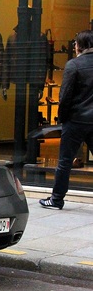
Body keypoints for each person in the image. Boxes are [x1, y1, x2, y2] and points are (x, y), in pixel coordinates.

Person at [40, 30, 93, 209]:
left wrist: (62, 118)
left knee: (65, 161)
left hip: (76, 119)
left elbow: (65, 96)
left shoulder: (74, 65)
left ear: (79, 45)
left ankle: (56, 199)